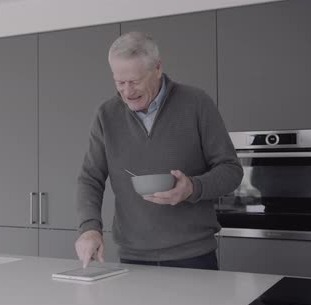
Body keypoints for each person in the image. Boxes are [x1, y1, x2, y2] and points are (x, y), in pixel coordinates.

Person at [75, 31, 243, 270]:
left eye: (134, 81)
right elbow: (90, 178)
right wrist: (89, 228)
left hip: (194, 256)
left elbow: (231, 171)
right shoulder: (106, 115)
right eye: (119, 82)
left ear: (157, 68)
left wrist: (192, 188)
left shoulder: (196, 103)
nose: (127, 91)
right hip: (133, 259)